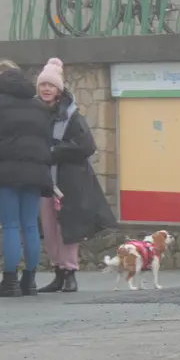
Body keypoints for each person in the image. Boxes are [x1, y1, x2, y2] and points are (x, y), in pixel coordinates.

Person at [0, 59, 55, 297]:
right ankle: (30, 281)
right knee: (29, 225)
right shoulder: (39, 105)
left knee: (10, 225)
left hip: (4, 172)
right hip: (35, 172)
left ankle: (10, 281)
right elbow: (47, 137)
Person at [35, 58, 112, 291]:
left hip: (68, 181)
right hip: (44, 180)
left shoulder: (72, 116)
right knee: (49, 229)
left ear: (59, 89)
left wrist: (54, 151)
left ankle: (70, 272)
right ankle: (58, 271)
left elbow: (86, 146)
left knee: (67, 228)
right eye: (42, 85)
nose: (46, 89)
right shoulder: (34, 112)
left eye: (51, 85)